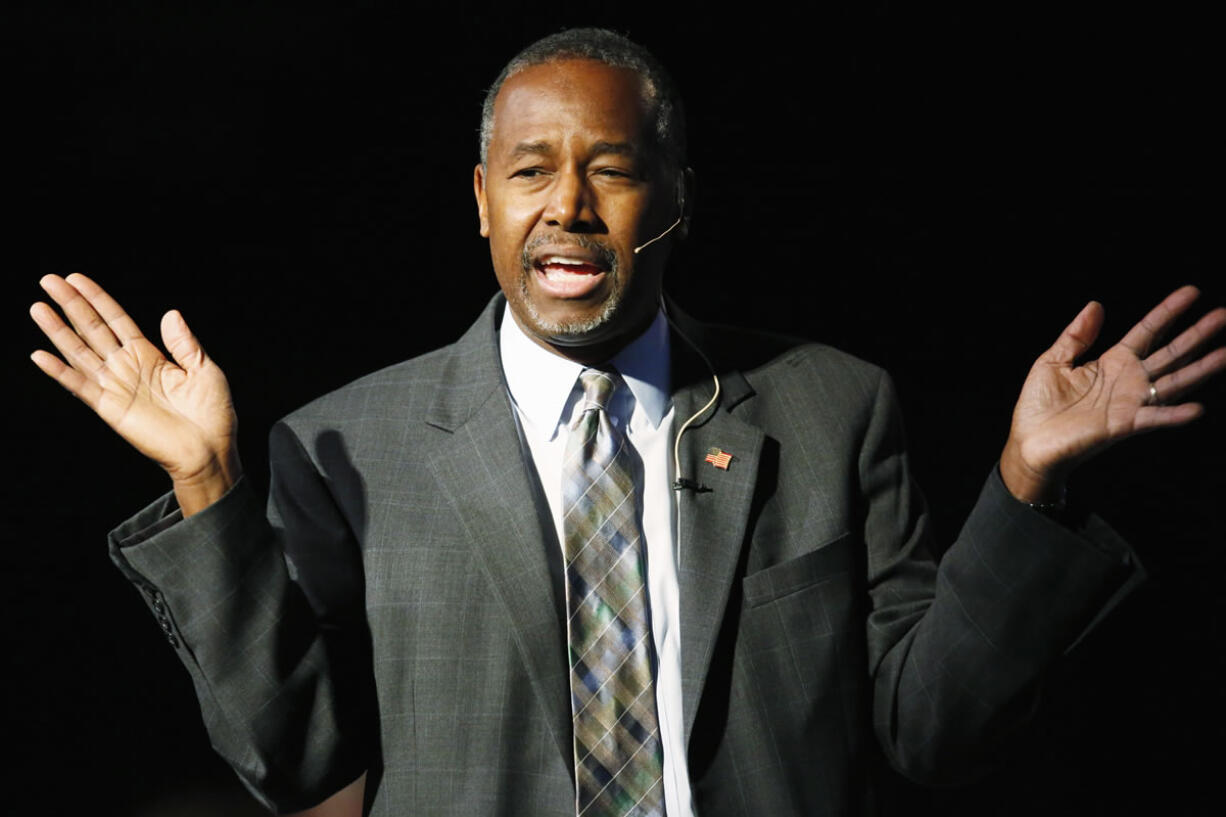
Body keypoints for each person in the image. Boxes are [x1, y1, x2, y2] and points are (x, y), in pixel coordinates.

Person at [28, 27, 1226, 817]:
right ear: (482, 201)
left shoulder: (831, 407)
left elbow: (929, 732)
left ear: (677, 196)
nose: (569, 205)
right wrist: (208, 483)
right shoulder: (349, 444)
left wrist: (1024, 486)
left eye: (611, 165)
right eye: (529, 169)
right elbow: (289, 758)